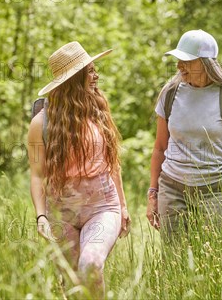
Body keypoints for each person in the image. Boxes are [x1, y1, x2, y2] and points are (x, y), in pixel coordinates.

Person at [28, 41, 130, 297]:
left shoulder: (99, 112)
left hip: (102, 206)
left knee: (90, 264)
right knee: (72, 283)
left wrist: (124, 205)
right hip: (61, 211)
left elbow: (112, 162)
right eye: (91, 71)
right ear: (75, 79)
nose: (97, 76)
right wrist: (41, 216)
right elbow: (37, 175)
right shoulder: (41, 123)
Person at [146, 29, 222, 236]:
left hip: (217, 191)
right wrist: (153, 194)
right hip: (172, 187)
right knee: (174, 262)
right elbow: (159, 148)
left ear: (206, 63)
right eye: (178, 59)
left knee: (217, 258)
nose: (179, 66)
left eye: (186, 61)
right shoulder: (169, 94)